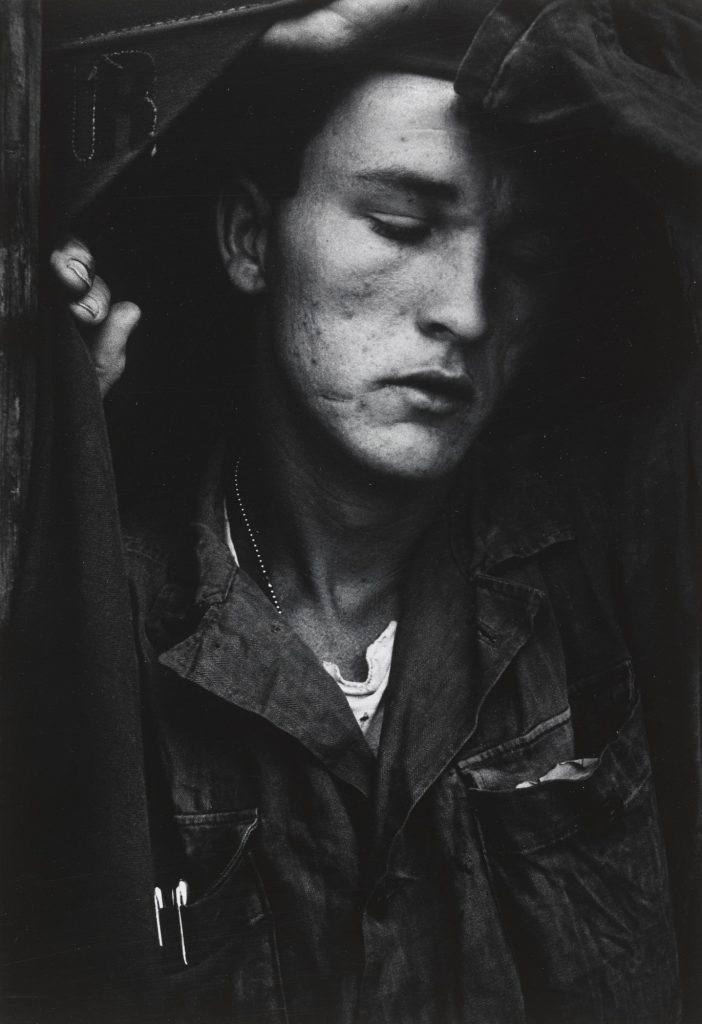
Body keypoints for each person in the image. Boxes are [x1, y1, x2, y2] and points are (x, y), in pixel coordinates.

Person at [40, 3, 702, 1023]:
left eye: (523, 260)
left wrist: (414, 19)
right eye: (401, 225)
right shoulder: (100, 613)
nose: (467, 311)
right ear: (251, 239)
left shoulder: (613, 556)